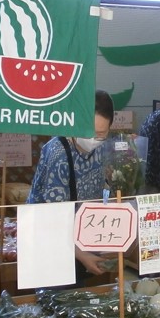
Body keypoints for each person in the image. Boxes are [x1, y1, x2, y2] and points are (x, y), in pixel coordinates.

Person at [28, 89, 115, 280]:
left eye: (101, 134)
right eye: (88, 131)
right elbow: (52, 218)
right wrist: (82, 255)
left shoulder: (100, 150)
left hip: (82, 241)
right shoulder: (58, 152)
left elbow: (103, 192)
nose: (94, 139)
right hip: (50, 246)